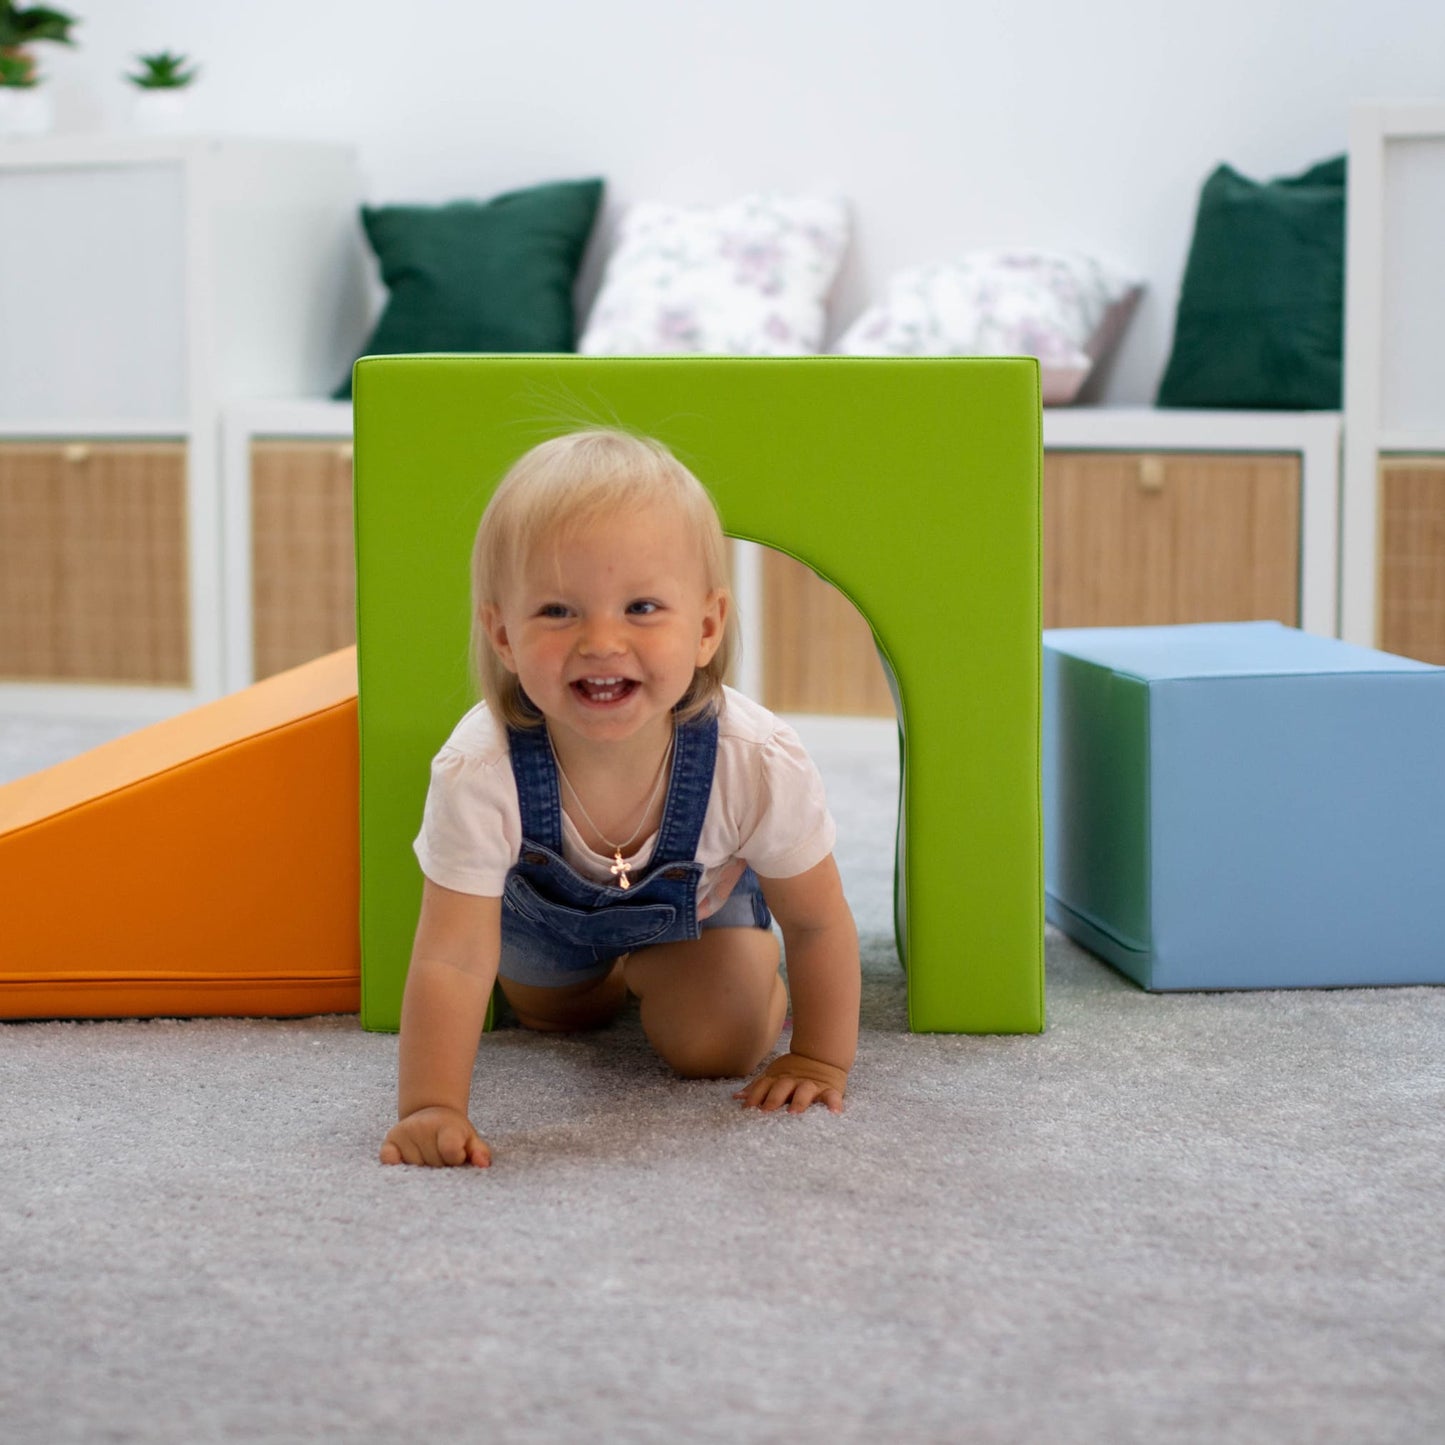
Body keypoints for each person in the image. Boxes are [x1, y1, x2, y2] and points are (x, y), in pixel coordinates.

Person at [379, 429, 860, 1168]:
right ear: (502, 635)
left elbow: (819, 920)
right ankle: (609, 977)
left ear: (704, 628)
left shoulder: (753, 756)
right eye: (558, 612)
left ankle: (734, 973)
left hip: (694, 920)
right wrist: (430, 1105)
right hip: (546, 926)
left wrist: (820, 1059)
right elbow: (451, 956)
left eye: (640, 607)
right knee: (556, 1017)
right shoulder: (481, 766)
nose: (601, 640)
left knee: (718, 1043)